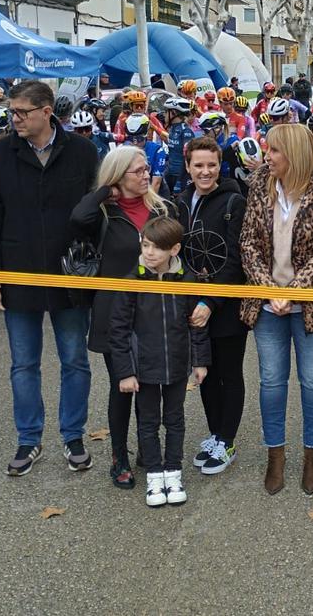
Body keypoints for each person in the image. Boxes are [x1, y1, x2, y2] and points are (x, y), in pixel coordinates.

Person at [0, 80, 98, 477]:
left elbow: (97, 214)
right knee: (23, 364)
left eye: (22, 113)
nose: (15, 119)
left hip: (70, 276)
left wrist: (94, 270)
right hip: (18, 274)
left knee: (74, 360)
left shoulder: (82, 152)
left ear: (47, 112)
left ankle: (73, 435)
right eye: (12, 112)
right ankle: (29, 439)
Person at [240, 123, 313, 496]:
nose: (266, 157)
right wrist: (270, 290)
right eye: (267, 151)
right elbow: (248, 243)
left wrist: (295, 289)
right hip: (268, 303)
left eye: (274, 151)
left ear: (295, 155)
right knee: (271, 381)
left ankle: (312, 454)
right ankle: (275, 455)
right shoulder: (259, 185)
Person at [70, 144, 174, 490]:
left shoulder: (162, 207)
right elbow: (77, 219)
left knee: (152, 383)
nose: (147, 175)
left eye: (147, 169)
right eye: (138, 171)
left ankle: (148, 447)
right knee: (123, 386)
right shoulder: (102, 213)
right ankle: (119, 456)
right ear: (118, 177)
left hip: (154, 311)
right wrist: (105, 191)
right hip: (114, 313)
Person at [109, 216, 209, 507]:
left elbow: (196, 326)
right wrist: (126, 372)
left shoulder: (187, 280)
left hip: (177, 366)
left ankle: (173, 471)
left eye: (156, 247)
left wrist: (199, 362)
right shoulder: (132, 282)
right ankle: (154, 474)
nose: (149, 252)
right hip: (145, 368)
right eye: (145, 245)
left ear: (174, 249)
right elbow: (119, 331)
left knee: (175, 419)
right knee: (149, 421)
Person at [174, 136, 247, 476]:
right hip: (192, 305)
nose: (205, 172)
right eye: (198, 165)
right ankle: (216, 433)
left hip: (225, 305)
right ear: (188, 167)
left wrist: (211, 300)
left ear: (220, 165)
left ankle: (227, 440)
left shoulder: (234, 200)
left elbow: (236, 260)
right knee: (205, 372)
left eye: (211, 165)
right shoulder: (179, 202)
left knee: (229, 373)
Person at [158, 97, 196, 196]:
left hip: (180, 176)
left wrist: (180, 181)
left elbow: (187, 158)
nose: (164, 114)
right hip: (169, 173)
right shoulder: (172, 129)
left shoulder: (186, 131)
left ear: (174, 113)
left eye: (166, 111)